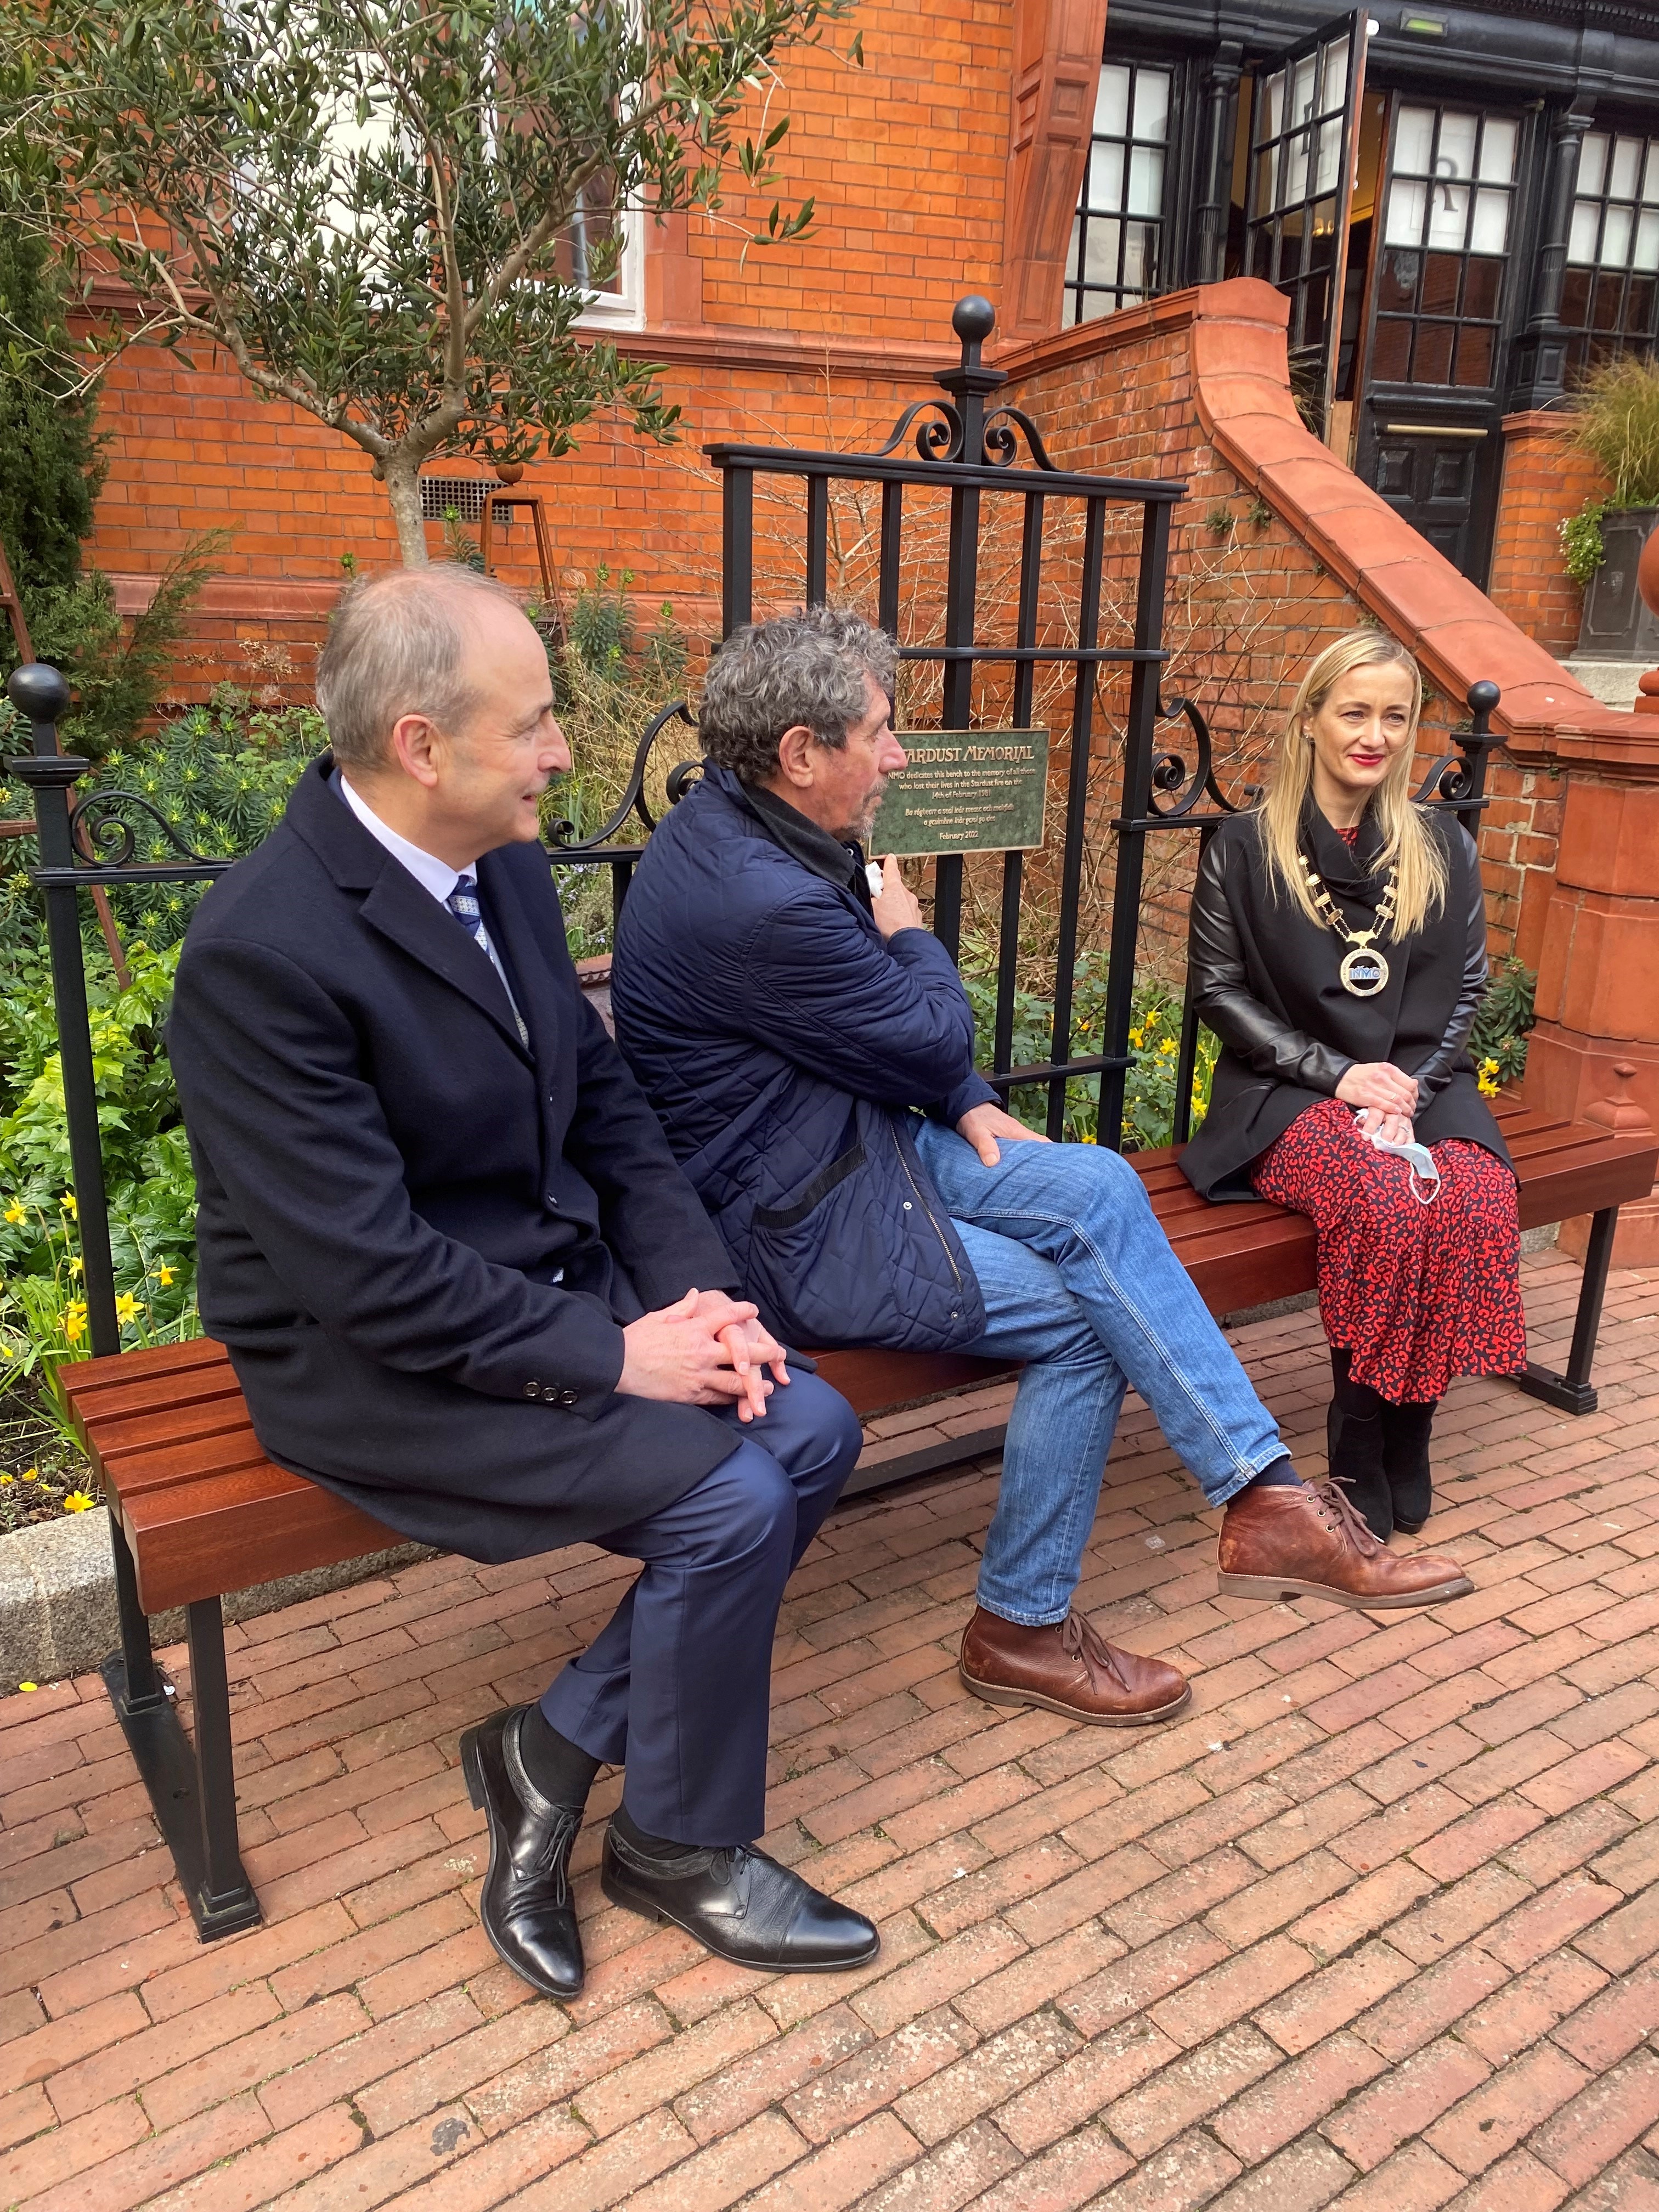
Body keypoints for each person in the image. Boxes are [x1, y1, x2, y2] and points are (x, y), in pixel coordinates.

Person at [166, 567, 877, 2004]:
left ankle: (547, 1751)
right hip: (370, 1358)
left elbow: (607, 1104)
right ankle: (676, 1846)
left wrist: (702, 1303)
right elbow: (368, 1273)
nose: (562, 750)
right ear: (421, 745)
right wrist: (622, 1359)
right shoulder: (260, 957)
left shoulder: (494, 863)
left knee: (809, 1425)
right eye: (534, 723)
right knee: (731, 1502)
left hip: (543, 1288)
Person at [610, 607, 1473, 1737]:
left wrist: (964, 1098)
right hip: (807, 1221)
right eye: (881, 731)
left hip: (854, 1145)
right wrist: (908, 931)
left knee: (1100, 1184)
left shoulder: (751, 820)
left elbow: (873, 1043)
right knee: (1086, 1320)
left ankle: (1265, 1498)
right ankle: (1028, 1622)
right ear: (801, 752)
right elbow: (926, 1031)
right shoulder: (759, 895)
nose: (900, 755)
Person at [1183, 628, 1525, 1541]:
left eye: (1395, 717)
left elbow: (1465, 989)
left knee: (1478, 1193)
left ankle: (1414, 1423)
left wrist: (1405, 1092)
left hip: (1422, 1081)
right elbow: (1217, 991)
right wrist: (1341, 1079)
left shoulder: (1440, 845)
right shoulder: (1245, 846)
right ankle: (1359, 1429)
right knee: (1383, 1198)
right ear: (1311, 720)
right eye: (1355, 712)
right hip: (1288, 1091)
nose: (1375, 735)